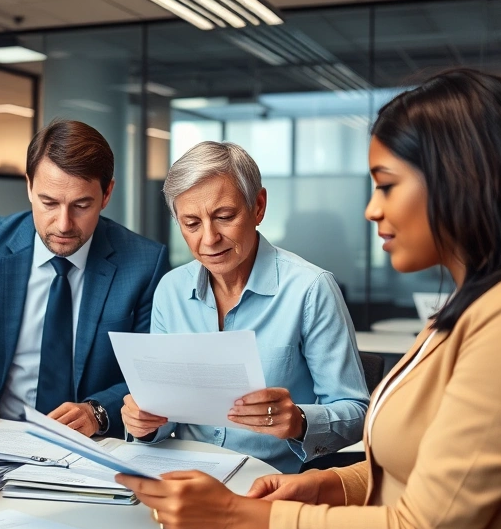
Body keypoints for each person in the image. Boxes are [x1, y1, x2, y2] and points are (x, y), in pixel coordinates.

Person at [116, 69, 501, 529]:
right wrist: (330, 483)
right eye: (190, 223)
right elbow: (419, 472)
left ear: (466, 183)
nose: (371, 210)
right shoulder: (477, 307)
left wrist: (233, 514)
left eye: (387, 186)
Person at [120, 141, 369, 473]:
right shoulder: (170, 290)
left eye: (224, 217)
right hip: (185, 476)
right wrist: (145, 421)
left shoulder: (310, 289)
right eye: (191, 224)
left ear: (259, 206)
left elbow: (357, 411)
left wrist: (298, 420)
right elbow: (164, 415)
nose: (209, 239)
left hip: (273, 483)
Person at [0, 120, 170, 437]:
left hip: (88, 447)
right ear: (28, 186)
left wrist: (98, 411)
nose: (63, 224)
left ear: (107, 193)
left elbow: (150, 373)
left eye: (81, 205)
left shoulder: (144, 263)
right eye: (48, 203)